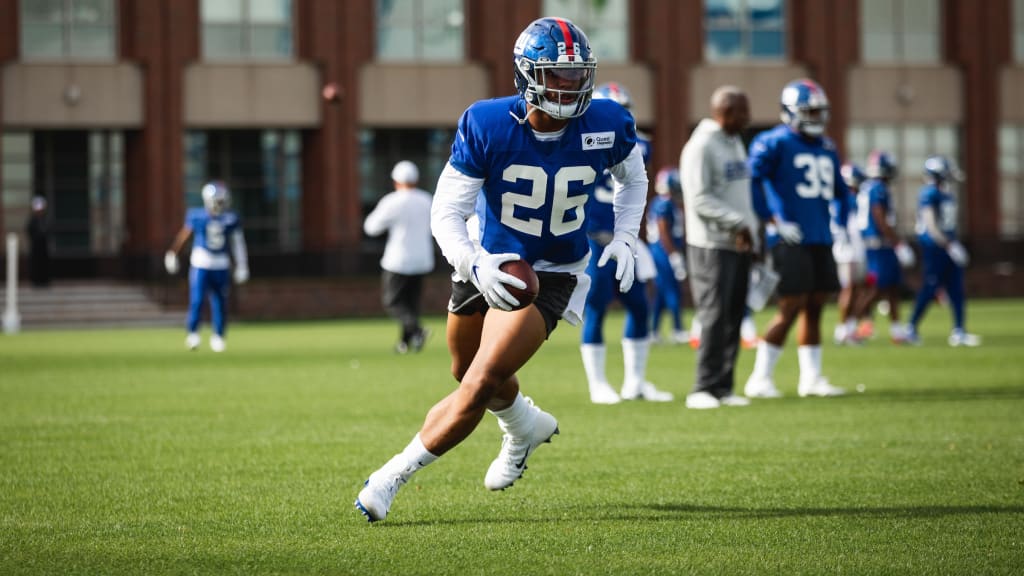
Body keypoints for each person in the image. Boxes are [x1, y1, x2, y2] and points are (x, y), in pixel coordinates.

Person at [355, 17, 647, 523]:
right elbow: (445, 212)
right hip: (489, 258)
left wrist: (625, 236)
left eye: (577, 74)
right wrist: (473, 261)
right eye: (556, 74)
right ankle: (523, 424)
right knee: (464, 370)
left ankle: (390, 477)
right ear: (527, 75)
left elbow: (634, 179)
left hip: (554, 270)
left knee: (482, 378)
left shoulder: (607, 122)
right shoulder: (487, 123)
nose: (569, 85)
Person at [744, 78, 850, 399]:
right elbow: (753, 179)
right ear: (790, 112)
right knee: (791, 306)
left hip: (819, 234)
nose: (816, 118)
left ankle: (812, 378)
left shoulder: (827, 147)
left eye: (819, 112)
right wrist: (772, 219)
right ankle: (760, 378)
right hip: (789, 237)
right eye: (809, 111)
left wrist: (841, 225)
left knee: (816, 304)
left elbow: (842, 193)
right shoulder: (773, 142)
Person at [578, 82, 673, 405]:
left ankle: (635, 382)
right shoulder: (578, 139)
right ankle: (598, 384)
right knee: (597, 306)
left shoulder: (638, 144)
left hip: (624, 237)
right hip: (592, 236)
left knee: (639, 304)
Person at [679, 86, 758, 410]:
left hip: (738, 242)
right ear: (724, 112)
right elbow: (699, 199)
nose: (748, 118)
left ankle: (723, 386)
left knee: (734, 314)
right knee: (713, 315)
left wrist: (750, 227)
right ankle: (703, 387)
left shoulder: (735, 141)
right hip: (711, 244)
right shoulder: (702, 145)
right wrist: (737, 222)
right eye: (742, 112)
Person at [164, 181, 249, 352]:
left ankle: (218, 335)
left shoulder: (231, 218)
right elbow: (185, 235)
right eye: (218, 200)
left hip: (221, 264)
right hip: (201, 263)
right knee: (196, 300)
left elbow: (238, 244)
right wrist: (173, 253)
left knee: (220, 301)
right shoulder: (197, 216)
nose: (220, 204)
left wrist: (242, 265)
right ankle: (193, 333)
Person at [906, 156, 980, 347]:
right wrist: (949, 245)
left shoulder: (945, 194)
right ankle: (911, 328)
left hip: (947, 246)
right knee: (930, 288)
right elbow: (930, 225)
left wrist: (953, 244)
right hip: (934, 248)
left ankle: (959, 330)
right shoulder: (929, 193)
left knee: (956, 288)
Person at [364, 160, 435, 353]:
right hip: (422, 259)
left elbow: (371, 227)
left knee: (392, 302)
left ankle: (417, 330)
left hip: (398, 259)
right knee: (411, 303)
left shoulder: (392, 201)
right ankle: (404, 343)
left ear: (396, 181)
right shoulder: (427, 199)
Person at [852, 151, 915, 344]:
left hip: (879, 244)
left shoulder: (870, 187)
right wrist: (897, 243)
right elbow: (879, 216)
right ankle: (850, 326)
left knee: (892, 288)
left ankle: (897, 332)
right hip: (878, 245)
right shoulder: (877, 188)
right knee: (878, 288)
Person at [647, 167, 690, 346]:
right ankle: (678, 329)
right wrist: (674, 255)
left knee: (663, 293)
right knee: (672, 291)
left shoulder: (666, 202)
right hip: (662, 251)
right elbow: (663, 231)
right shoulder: (663, 203)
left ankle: (654, 331)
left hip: (663, 251)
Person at [831, 163, 869, 345]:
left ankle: (850, 328)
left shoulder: (848, 197)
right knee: (849, 289)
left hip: (853, 247)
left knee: (857, 289)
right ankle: (842, 330)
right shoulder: (845, 198)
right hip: (847, 249)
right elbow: (841, 223)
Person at [26, 196, 51, 288]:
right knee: (35, 264)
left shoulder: (45, 219)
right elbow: (29, 230)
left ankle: (44, 281)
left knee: (44, 264)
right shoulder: (33, 220)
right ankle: (36, 281)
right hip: (35, 246)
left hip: (43, 246)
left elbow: (49, 230)